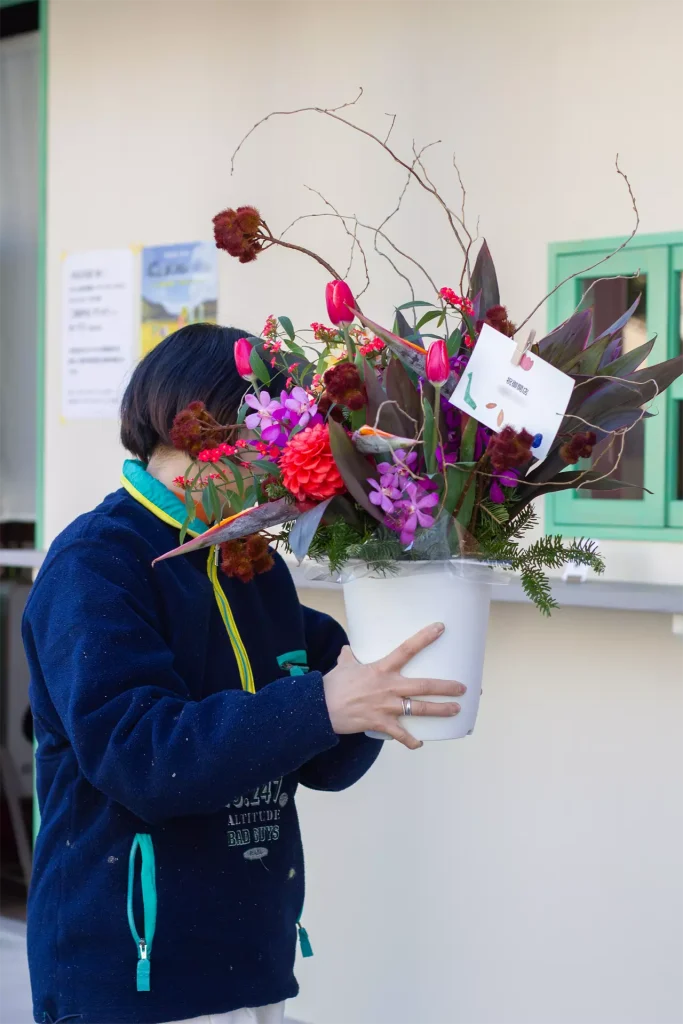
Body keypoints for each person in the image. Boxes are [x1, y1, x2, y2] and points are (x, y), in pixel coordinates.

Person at [22, 324, 466, 1024]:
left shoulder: (250, 563)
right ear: (204, 426)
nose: (289, 457)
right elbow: (143, 757)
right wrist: (321, 706)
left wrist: (378, 693)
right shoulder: (97, 563)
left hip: (249, 965)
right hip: (130, 978)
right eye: (274, 430)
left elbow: (325, 762)